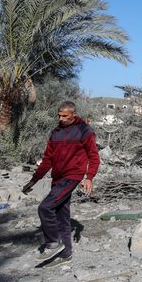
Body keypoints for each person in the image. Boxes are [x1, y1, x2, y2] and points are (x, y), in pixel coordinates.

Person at [22, 101, 100, 266]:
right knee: (61, 216)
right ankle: (65, 254)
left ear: (73, 114)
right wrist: (34, 180)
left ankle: (52, 244)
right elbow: (47, 160)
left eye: (65, 115)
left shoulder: (84, 131)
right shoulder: (55, 132)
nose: (61, 118)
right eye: (59, 115)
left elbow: (94, 157)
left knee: (45, 207)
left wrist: (89, 177)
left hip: (72, 176)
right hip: (57, 178)